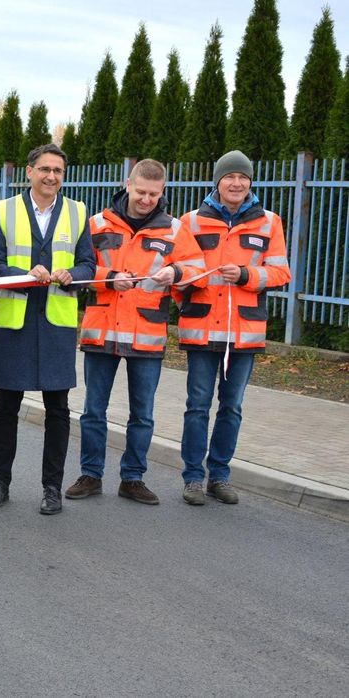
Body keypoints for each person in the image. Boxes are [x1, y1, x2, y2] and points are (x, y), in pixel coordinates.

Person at [66, 159, 205, 505]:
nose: (146, 199)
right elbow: (79, 267)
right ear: (128, 184)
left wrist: (175, 272)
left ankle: (133, 478)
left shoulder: (174, 230)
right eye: (141, 191)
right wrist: (110, 276)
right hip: (101, 331)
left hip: (147, 333)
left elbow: (198, 270)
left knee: (142, 413)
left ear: (162, 192)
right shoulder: (97, 224)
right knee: (93, 410)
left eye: (154, 194)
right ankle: (90, 474)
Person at [0, 144, 96, 515]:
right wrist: (24, 276)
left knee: (58, 410)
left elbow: (88, 265)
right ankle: (0, 482)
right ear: (29, 172)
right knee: (6, 408)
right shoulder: (4, 210)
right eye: (44, 169)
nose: (51, 177)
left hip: (57, 325)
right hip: (15, 322)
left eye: (58, 171)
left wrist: (72, 276)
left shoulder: (78, 212)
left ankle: (52, 488)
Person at [177, 151, 291, 506]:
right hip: (202, 328)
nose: (237, 183)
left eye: (243, 178)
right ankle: (194, 478)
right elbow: (179, 271)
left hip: (244, 331)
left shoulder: (269, 222)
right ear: (218, 181)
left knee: (232, 407)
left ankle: (220, 477)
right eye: (230, 177)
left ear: (250, 182)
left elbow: (281, 273)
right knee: (197, 406)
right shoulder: (191, 221)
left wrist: (245, 275)